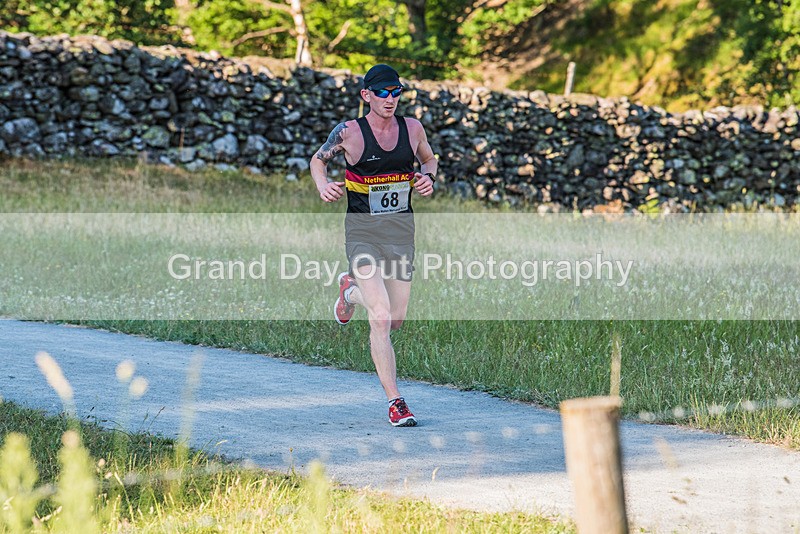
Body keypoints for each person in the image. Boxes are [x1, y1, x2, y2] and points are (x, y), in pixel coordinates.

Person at [309, 64, 437, 427]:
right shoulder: (349, 132)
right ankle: (396, 401)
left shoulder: (412, 129)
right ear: (366, 95)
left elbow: (428, 160)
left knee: (395, 319)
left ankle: (348, 293)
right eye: (382, 92)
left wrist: (427, 179)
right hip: (362, 232)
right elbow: (318, 161)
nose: (390, 99)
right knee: (380, 316)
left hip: (400, 232)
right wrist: (323, 185)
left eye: (395, 92)